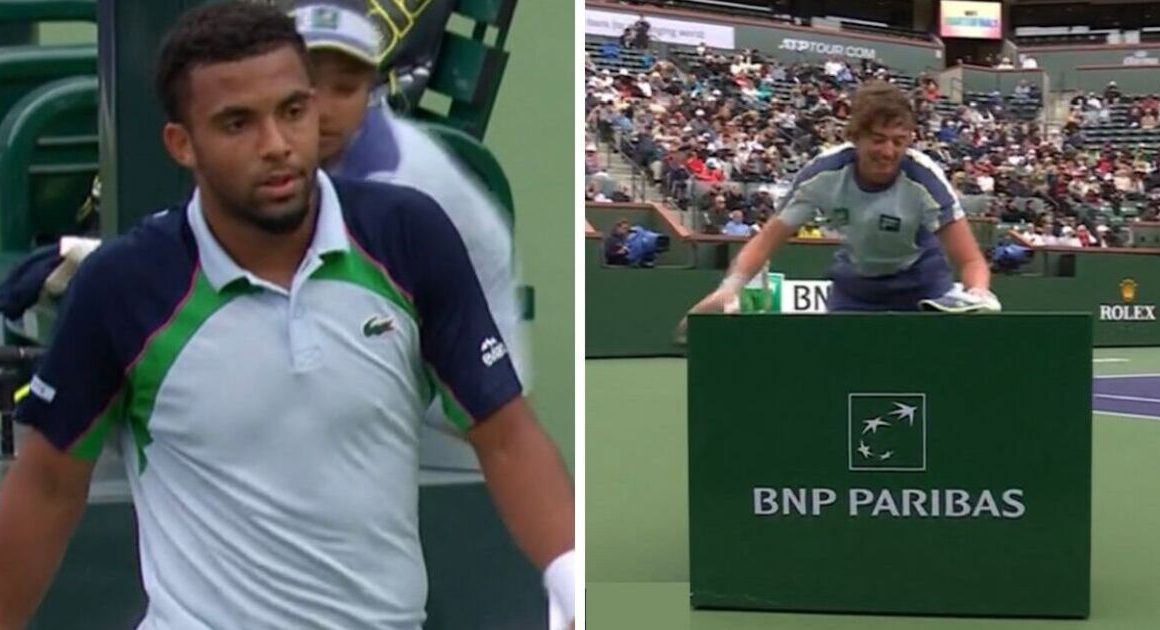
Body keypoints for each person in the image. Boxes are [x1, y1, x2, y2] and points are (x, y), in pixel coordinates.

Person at [0, 4, 574, 630]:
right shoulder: (123, 286)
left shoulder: (408, 235)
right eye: (237, 123)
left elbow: (505, 432)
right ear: (181, 144)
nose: (276, 145)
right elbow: (48, 486)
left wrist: (567, 570)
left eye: (293, 112)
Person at [288, 1, 529, 473]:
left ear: (368, 91)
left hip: (452, 389)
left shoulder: (396, 181)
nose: (323, 107)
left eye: (343, 88)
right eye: (308, 86)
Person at [682, 80, 1000, 327]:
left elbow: (971, 261)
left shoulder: (925, 179)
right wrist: (730, 287)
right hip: (855, 292)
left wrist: (978, 294)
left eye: (898, 141)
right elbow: (767, 240)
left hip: (924, 290)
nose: (888, 151)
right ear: (856, 136)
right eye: (877, 139)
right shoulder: (822, 174)